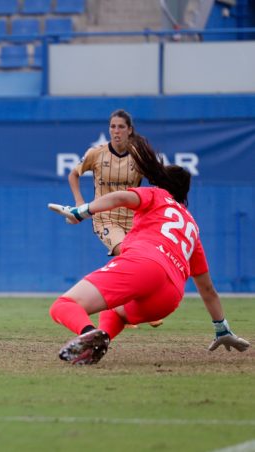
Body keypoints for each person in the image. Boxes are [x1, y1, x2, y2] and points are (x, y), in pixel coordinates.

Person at [47, 136, 250, 365]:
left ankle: (87, 331)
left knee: (63, 305)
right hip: (169, 297)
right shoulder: (192, 227)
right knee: (116, 311)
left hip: (145, 263)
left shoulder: (157, 195)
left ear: (163, 185)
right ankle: (98, 341)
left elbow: (122, 197)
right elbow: (208, 289)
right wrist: (222, 329)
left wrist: (82, 211)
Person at [67, 109, 163, 328]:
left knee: (145, 261)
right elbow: (73, 174)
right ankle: (129, 306)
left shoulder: (139, 156)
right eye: (112, 126)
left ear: (129, 130)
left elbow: (157, 180)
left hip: (135, 220)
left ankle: (127, 307)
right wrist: (80, 204)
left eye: (121, 127)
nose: (116, 131)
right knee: (126, 253)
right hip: (105, 217)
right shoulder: (96, 153)